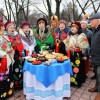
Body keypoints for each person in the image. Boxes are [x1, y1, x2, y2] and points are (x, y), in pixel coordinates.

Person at [64, 21, 89, 87]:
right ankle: (72, 81)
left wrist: (84, 54)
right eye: (72, 27)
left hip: (78, 54)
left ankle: (78, 82)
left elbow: (85, 45)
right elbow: (67, 43)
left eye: (74, 27)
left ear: (78, 28)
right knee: (72, 66)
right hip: (71, 54)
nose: (72, 28)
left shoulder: (82, 35)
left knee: (78, 67)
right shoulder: (69, 35)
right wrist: (69, 47)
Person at [4, 21, 24, 89]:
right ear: (7, 29)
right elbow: (7, 46)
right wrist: (13, 43)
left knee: (19, 69)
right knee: (11, 70)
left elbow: (21, 45)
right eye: (10, 28)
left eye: (13, 28)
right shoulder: (5, 37)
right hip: (10, 55)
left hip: (18, 55)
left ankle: (20, 84)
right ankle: (13, 85)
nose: (12, 29)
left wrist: (18, 43)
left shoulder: (17, 35)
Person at [0, 18, 14, 99]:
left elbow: (9, 45)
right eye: (2, 26)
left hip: (8, 58)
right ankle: (3, 93)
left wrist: (11, 50)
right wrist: (3, 54)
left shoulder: (4, 36)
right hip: (2, 59)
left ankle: (9, 91)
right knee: (3, 76)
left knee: (9, 75)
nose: (3, 28)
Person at [88, 13, 100, 100]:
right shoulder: (94, 30)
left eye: (92, 20)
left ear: (98, 20)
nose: (90, 22)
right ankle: (97, 87)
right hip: (95, 58)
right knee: (97, 75)